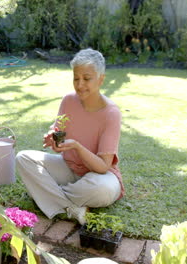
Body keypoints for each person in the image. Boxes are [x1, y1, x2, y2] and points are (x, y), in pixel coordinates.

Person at [15, 48, 124, 225]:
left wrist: (77, 147)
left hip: (99, 177)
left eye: (87, 79)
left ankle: (46, 193)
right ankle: (71, 208)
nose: (80, 85)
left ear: (101, 79)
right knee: (23, 158)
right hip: (68, 169)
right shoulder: (68, 100)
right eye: (76, 78)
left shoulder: (111, 113)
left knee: (102, 190)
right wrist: (51, 137)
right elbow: (57, 128)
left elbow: (103, 166)